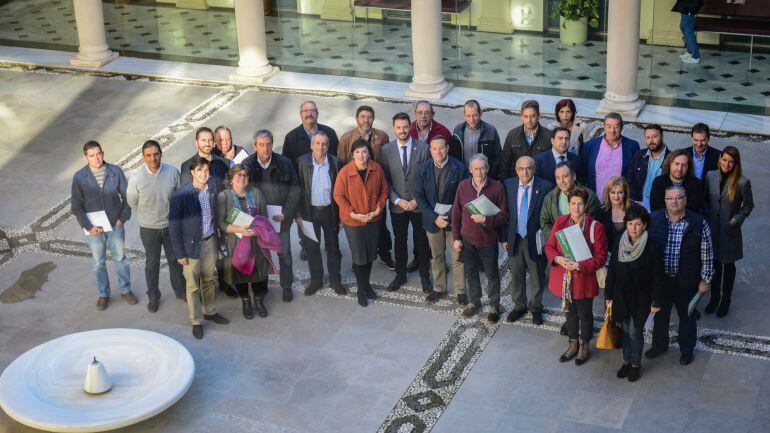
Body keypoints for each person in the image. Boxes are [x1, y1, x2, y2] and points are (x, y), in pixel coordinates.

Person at [646, 186, 714, 365]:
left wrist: (705, 279)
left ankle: (687, 349)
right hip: (662, 280)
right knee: (660, 315)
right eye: (670, 198)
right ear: (665, 200)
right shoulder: (654, 219)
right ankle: (659, 345)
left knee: (687, 316)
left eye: (678, 197)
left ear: (685, 200)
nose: (674, 201)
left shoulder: (699, 222)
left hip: (687, 280)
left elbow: (707, 253)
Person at [545, 187, 607, 366]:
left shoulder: (596, 227)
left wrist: (579, 265)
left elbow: (601, 258)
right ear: (568, 204)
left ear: (585, 205)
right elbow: (550, 247)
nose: (576, 207)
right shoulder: (560, 221)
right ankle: (572, 344)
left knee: (585, 314)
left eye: (580, 204)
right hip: (564, 278)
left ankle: (584, 346)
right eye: (573, 203)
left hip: (583, 279)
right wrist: (558, 258)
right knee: (569, 313)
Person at [169, 157, 230, 339]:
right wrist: (179, 253)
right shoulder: (181, 195)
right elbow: (174, 226)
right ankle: (196, 321)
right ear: (192, 173)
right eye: (199, 171)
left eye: (206, 170)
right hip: (191, 247)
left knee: (209, 279)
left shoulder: (212, 190)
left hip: (210, 241)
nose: (203, 174)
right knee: (192, 286)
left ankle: (210, 311)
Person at [71, 140, 135, 311]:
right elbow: (76, 206)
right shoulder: (79, 177)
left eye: (99, 154)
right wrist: (88, 226)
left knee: (120, 259)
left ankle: (126, 290)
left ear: (103, 153)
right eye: (92, 156)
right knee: (98, 263)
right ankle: (103, 294)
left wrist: (122, 218)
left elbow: (128, 197)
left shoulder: (115, 171)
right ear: (86, 157)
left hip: (115, 225)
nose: (96, 158)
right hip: (94, 229)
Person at [605, 205, 663, 382]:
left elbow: (657, 276)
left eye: (637, 224)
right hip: (620, 295)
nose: (633, 228)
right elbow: (613, 269)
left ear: (644, 225)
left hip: (641, 297)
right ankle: (626, 361)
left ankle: (635, 364)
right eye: (630, 224)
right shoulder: (619, 242)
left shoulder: (652, 246)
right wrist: (608, 296)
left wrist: (656, 301)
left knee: (635, 331)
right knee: (624, 330)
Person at [126, 140, 185, 313]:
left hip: (170, 226)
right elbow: (132, 201)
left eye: (156, 154)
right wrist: (146, 216)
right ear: (143, 157)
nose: (153, 158)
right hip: (149, 229)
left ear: (161, 154)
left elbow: (179, 196)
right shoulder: (136, 178)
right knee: (152, 263)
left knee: (175, 261)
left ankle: (180, 290)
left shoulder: (173, 172)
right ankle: (153, 295)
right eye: (149, 155)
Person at [243, 130, 301, 302]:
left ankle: (286, 286)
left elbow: (295, 188)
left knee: (284, 253)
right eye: (261, 145)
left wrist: (287, 213)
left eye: (268, 144)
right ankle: (262, 287)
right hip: (259, 222)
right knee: (261, 255)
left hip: (279, 219)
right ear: (254, 146)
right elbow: (238, 191)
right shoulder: (247, 165)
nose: (265, 148)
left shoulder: (284, 163)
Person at [452, 154, 509, 322]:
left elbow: (504, 216)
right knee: (470, 273)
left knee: (492, 275)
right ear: (470, 169)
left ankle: (494, 305)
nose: (479, 171)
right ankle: (475, 302)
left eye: (482, 168)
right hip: (467, 240)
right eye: (475, 168)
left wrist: (486, 219)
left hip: (488, 241)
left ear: (488, 169)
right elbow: (456, 213)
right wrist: (456, 237)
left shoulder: (497, 188)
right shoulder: (463, 186)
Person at [337, 105, 395, 270]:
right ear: (356, 119)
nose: (366, 120)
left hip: (376, 187)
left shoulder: (382, 136)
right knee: (358, 229)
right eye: (362, 116)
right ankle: (359, 259)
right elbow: (341, 164)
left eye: (369, 117)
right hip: (355, 188)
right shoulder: (346, 138)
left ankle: (385, 254)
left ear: (373, 119)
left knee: (381, 226)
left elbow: (386, 160)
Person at [380, 113, 432, 293]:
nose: (402, 131)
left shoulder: (424, 148)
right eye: (398, 127)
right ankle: (400, 274)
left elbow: (428, 178)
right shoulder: (386, 150)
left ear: (410, 126)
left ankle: (425, 276)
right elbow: (385, 179)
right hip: (398, 205)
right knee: (400, 240)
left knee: (422, 241)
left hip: (419, 204)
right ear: (393, 129)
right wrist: (397, 200)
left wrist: (418, 200)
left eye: (405, 127)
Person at [333, 139, 388, 307]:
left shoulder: (376, 169)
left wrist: (379, 209)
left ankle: (367, 285)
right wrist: (352, 214)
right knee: (359, 257)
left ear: (369, 153)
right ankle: (361, 289)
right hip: (354, 222)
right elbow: (338, 196)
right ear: (352, 154)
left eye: (364, 151)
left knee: (370, 254)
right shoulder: (345, 172)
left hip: (373, 219)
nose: (361, 155)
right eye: (357, 152)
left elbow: (384, 190)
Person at [414, 135, 469, 305]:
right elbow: (419, 196)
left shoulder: (460, 168)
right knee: (436, 256)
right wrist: (434, 218)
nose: (438, 151)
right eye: (435, 148)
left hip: (454, 221)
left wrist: (449, 216)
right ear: (430, 150)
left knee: (458, 257)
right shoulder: (422, 169)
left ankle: (460, 290)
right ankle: (439, 288)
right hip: (432, 221)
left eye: (442, 147)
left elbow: (463, 197)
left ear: (447, 149)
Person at [502, 156, 554, 325]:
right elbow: (504, 214)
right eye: (521, 168)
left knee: (537, 276)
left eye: (529, 168)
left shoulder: (545, 187)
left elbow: (549, 216)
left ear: (534, 169)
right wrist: (504, 238)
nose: (525, 172)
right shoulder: (508, 185)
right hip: (515, 238)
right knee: (516, 275)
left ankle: (536, 307)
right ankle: (519, 306)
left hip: (536, 240)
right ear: (516, 170)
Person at [703, 146, 754, 317]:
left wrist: (737, 219)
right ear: (719, 159)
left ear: (735, 164)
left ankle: (726, 300)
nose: (726, 164)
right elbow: (705, 200)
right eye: (724, 160)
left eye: (731, 162)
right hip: (712, 228)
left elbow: (748, 205)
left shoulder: (742, 182)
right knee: (715, 264)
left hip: (729, 230)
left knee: (728, 265)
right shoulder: (710, 176)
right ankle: (714, 298)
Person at [217, 165, 272, 320]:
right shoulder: (224, 197)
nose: (242, 177)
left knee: (259, 274)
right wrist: (241, 230)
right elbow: (221, 223)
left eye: (245, 175)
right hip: (236, 242)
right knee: (240, 274)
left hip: (256, 241)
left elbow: (264, 219)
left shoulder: (256, 193)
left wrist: (256, 231)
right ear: (231, 178)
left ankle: (259, 301)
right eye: (238, 175)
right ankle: (246, 302)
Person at [296, 131, 345, 296]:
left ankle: (335, 280)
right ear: (311, 145)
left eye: (324, 144)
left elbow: (343, 191)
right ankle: (316, 280)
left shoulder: (336, 163)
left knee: (333, 248)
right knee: (312, 248)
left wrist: (342, 216)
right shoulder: (301, 162)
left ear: (328, 146)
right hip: (309, 213)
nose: (320, 147)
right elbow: (296, 190)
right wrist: (298, 215)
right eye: (317, 143)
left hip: (329, 211)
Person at [540, 161, 601, 243]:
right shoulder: (550, 198)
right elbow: (545, 222)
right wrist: (558, 241)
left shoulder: (590, 196)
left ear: (574, 176)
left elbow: (595, 223)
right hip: (558, 247)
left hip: (584, 246)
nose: (561, 181)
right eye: (558, 178)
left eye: (565, 176)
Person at [579, 112, 640, 193]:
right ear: (604, 127)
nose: (612, 130)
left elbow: (635, 176)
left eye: (616, 127)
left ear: (622, 128)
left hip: (620, 200)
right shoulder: (589, 146)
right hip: (596, 200)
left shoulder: (632, 146)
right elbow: (582, 175)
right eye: (609, 126)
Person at [450, 100, 502, 179]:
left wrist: (492, 175)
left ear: (481, 114)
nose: (472, 119)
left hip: (485, 177)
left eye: (475, 115)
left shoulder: (491, 131)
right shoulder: (458, 130)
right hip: (463, 177)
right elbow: (454, 155)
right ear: (464, 116)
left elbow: (498, 156)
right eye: (468, 116)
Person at [500, 100, 552, 179]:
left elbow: (552, 164)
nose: (529, 120)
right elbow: (505, 163)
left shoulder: (549, 136)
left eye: (532, 116)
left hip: (540, 183)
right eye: (526, 116)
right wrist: (505, 184)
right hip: (516, 181)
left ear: (538, 116)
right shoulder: (512, 135)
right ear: (521, 116)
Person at [627, 124, 670, 210]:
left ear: (662, 136)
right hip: (638, 205)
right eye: (648, 137)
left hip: (660, 207)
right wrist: (636, 201)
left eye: (654, 136)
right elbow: (630, 179)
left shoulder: (671, 158)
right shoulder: (639, 155)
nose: (651, 140)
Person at [282, 100, 339, 165]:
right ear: (300, 115)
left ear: (317, 113)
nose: (309, 114)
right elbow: (286, 165)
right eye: (305, 111)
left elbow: (337, 159)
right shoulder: (291, 138)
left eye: (312, 110)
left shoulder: (330, 133)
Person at [180, 127, 230, 191]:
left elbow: (229, 188)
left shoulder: (224, 162)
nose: (207, 144)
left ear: (214, 142)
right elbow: (186, 193)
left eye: (210, 140)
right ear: (196, 142)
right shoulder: (187, 165)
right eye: (203, 140)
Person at [594, 176, 633, 249]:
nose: (616, 196)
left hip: (629, 254)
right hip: (606, 255)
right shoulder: (600, 212)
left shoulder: (633, 211)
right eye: (613, 192)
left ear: (625, 194)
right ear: (608, 193)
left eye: (620, 192)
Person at [673, 0, 703, 64]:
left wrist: (691, 9)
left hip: (689, 7)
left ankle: (695, 57)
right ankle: (690, 52)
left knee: (688, 32)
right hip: (685, 5)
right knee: (683, 27)